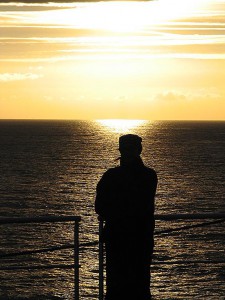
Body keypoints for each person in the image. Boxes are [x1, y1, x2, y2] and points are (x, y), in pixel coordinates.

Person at [95, 134, 157, 300]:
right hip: (141, 239)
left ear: (120, 150)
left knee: (116, 286)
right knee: (141, 285)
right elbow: (143, 206)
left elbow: (100, 207)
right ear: (140, 150)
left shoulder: (110, 177)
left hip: (117, 239)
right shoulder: (149, 176)